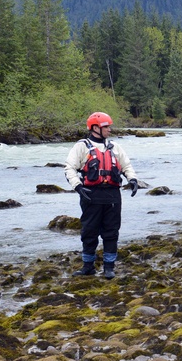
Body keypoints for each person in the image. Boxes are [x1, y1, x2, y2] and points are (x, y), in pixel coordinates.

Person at [64, 112, 139, 278]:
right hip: (91, 195)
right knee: (89, 232)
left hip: (112, 196)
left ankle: (109, 267)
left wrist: (133, 180)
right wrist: (78, 187)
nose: (109, 130)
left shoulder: (115, 148)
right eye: (106, 127)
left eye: (109, 126)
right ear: (95, 128)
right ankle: (88, 266)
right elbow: (69, 168)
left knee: (111, 232)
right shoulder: (81, 147)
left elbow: (127, 166)